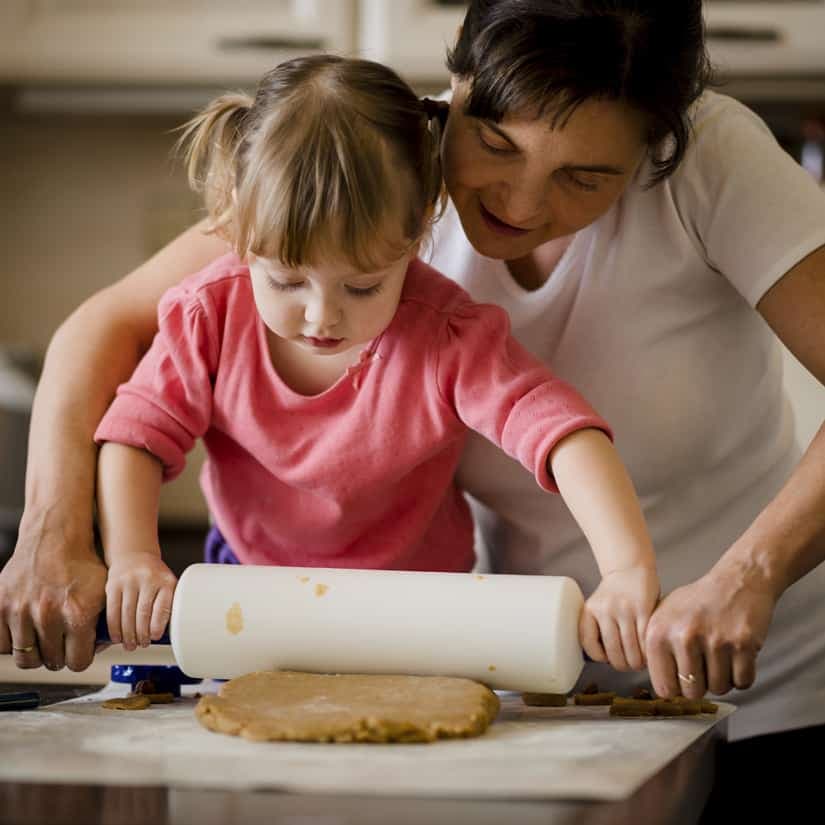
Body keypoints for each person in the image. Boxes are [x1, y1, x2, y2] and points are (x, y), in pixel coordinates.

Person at [1, 0, 824, 813]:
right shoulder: (374, 168)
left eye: (585, 177)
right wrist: (63, 532)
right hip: (537, 675)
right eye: (493, 144)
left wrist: (726, 575)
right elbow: (111, 326)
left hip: (763, 681)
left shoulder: (701, 159)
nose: (521, 206)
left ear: (653, 145)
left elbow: (557, 427)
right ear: (454, 86)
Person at [90, 53, 658, 667]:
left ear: (418, 232)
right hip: (252, 606)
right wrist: (133, 556)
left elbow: (561, 433)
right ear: (234, 225)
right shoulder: (209, 316)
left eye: (362, 287)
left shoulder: (446, 336)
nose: (320, 317)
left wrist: (626, 568)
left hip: (418, 616)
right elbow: (137, 437)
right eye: (286, 282)